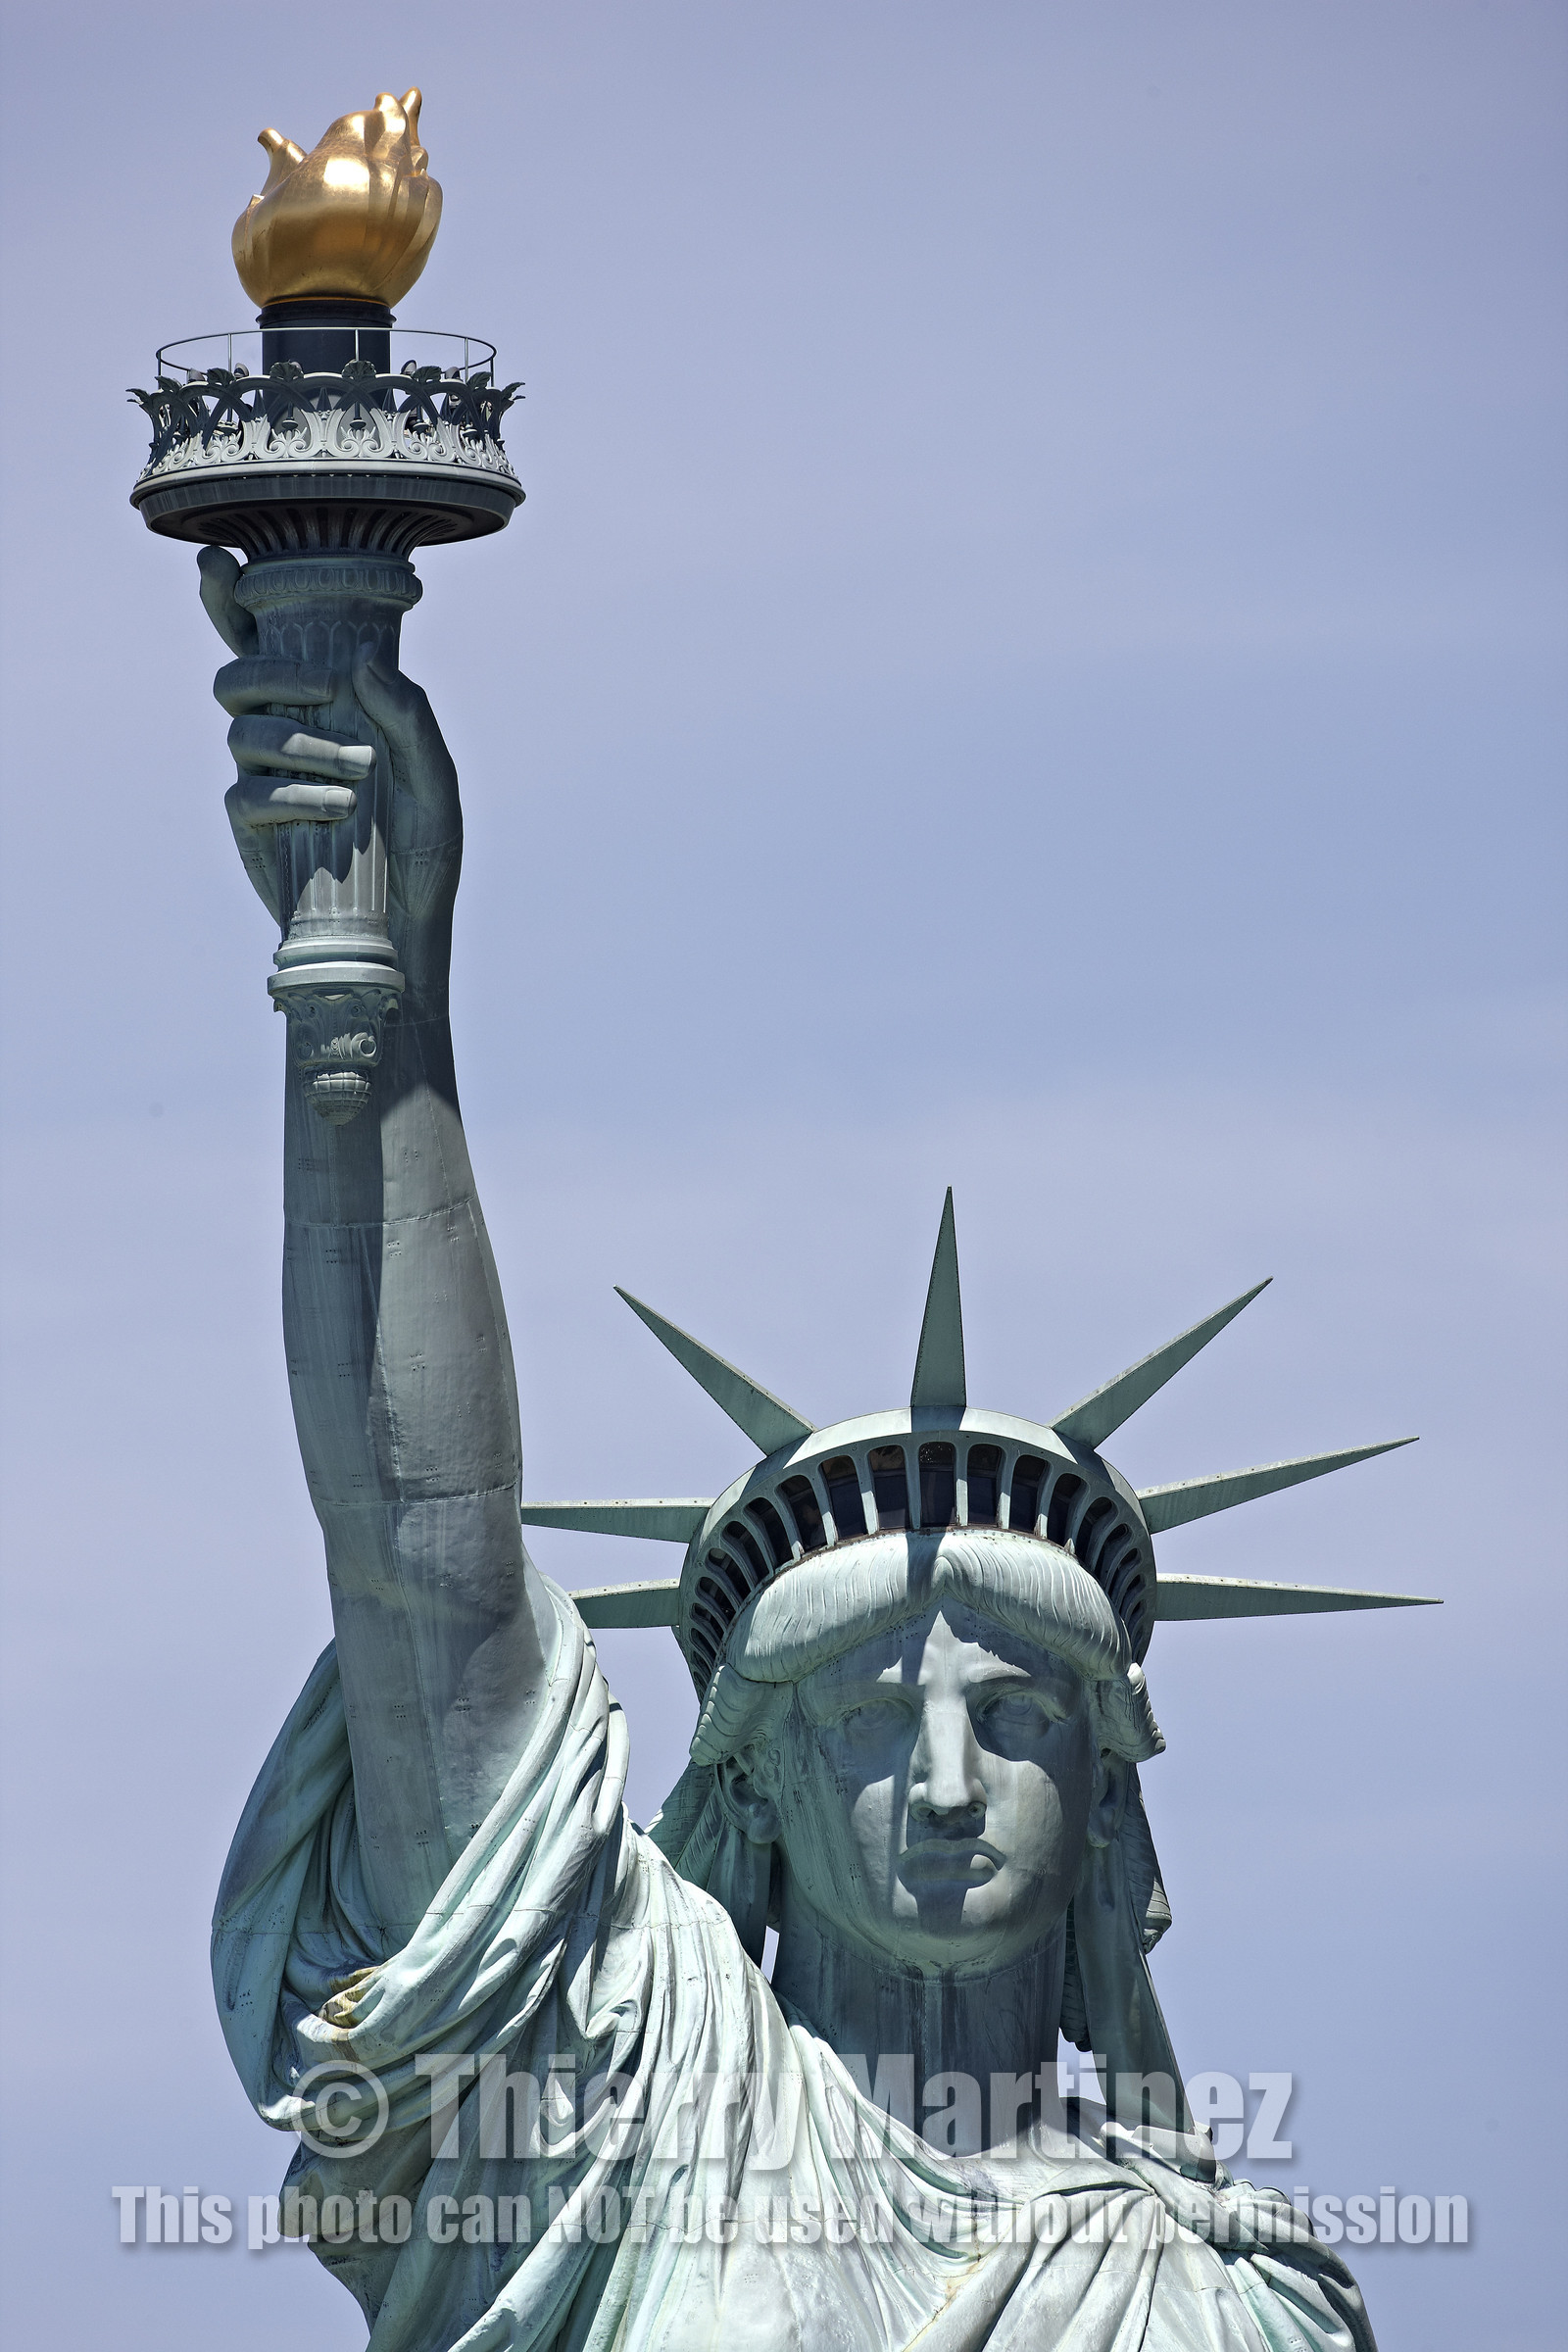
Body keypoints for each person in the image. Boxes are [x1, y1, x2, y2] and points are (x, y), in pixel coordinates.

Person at [202, 554, 1378, 2351]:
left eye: (1012, 1717)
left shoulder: (1225, 2306)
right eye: (859, 1717)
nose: (943, 1782)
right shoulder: (613, 2089)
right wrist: (373, 989)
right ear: (744, 1783)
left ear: (1116, 1797)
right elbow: (417, 1547)